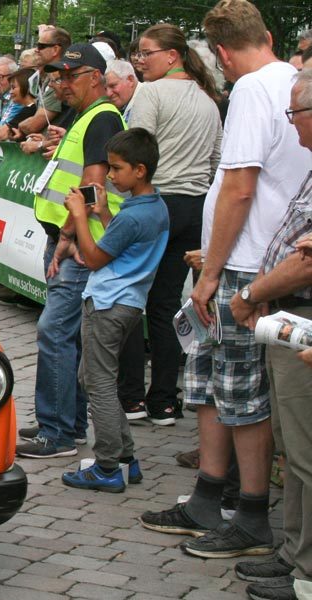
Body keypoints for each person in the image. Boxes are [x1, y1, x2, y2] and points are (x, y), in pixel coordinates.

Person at [141, 0, 311, 563]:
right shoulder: (289, 80)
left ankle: (252, 511)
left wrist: (211, 274)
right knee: (213, 384)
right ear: (264, 33)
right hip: (247, 255)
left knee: (240, 392)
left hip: (246, 263)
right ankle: (210, 496)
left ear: (219, 52)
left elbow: (240, 184)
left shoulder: (253, 91)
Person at [226, 67, 312, 600]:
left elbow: (306, 264)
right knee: (295, 452)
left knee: (305, 456)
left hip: (298, 315)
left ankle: (307, 573)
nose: (292, 126)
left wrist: (252, 293)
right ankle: (295, 554)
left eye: (295, 114)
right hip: (289, 318)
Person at [16, 43, 125, 459]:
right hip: (75, 239)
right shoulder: (88, 115)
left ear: (95, 78)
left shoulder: (101, 117)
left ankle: (56, 432)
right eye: (58, 76)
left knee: (54, 332)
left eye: (69, 76)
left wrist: (67, 236)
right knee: (67, 335)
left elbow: (92, 187)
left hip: (79, 243)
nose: (60, 84)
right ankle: (70, 424)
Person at [117, 22, 223, 427]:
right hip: (194, 207)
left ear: (171, 56)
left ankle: (131, 398)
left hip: (155, 203)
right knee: (163, 306)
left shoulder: (152, 93)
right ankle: (164, 400)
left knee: (129, 298)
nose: (140, 61)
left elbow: (133, 155)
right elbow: (216, 161)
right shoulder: (209, 101)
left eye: (147, 53)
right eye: (138, 53)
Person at [60, 128, 169, 492]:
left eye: (117, 169)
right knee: (96, 378)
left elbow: (93, 258)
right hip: (128, 304)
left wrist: (79, 216)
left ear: (140, 170)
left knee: (99, 383)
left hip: (107, 304)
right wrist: (104, 213)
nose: (109, 175)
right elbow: (120, 246)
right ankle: (125, 458)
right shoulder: (153, 207)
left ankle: (108, 464)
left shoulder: (134, 217)